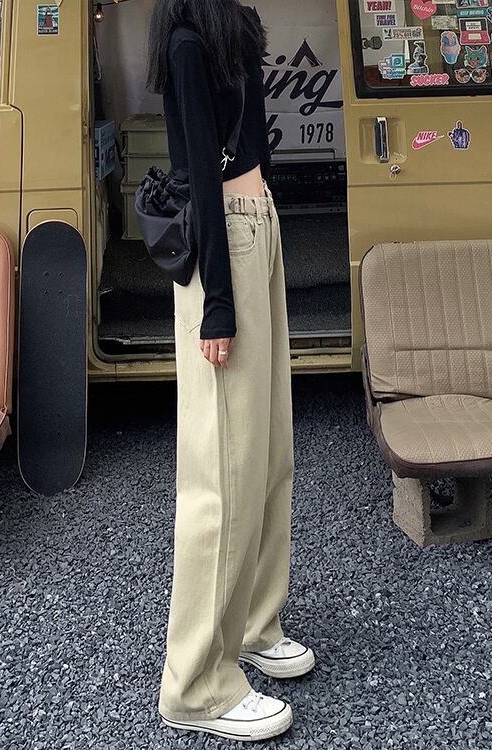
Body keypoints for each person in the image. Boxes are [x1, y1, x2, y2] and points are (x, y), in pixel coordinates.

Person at [145, 0, 315, 741]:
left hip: (258, 226)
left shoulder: (233, 30)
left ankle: (251, 623)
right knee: (222, 474)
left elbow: (251, 147)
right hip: (225, 251)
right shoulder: (187, 43)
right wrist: (218, 304)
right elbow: (198, 174)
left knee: (271, 452)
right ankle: (196, 684)